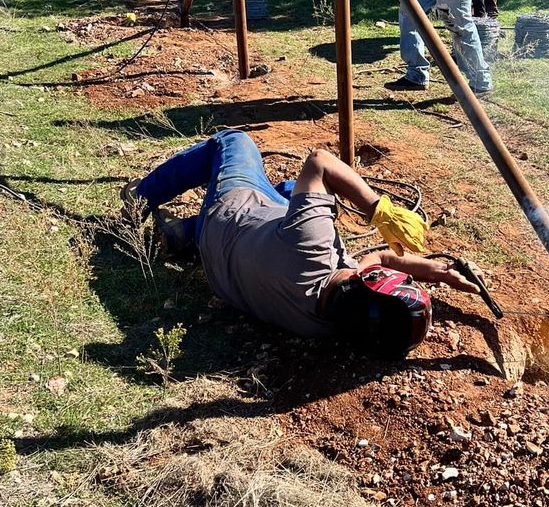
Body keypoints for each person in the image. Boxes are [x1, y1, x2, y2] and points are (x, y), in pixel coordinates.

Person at [122, 130, 480, 358]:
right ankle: (182, 236)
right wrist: (439, 271)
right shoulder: (327, 324)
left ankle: (141, 196)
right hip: (224, 270)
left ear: (362, 279)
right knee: (291, 191)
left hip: (227, 218)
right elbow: (380, 261)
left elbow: (320, 161)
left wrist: (379, 209)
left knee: (233, 142)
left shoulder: (313, 244)